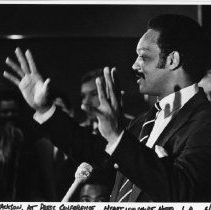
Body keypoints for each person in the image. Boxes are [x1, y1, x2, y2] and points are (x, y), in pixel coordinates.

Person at [4, 14, 211, 202]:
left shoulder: (205, 122)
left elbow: (183, 193)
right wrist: (46, 109)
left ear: (172, 60)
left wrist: (118, 137)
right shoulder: (145, 121)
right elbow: (100, 156)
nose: (134, 66)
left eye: (144, 56)